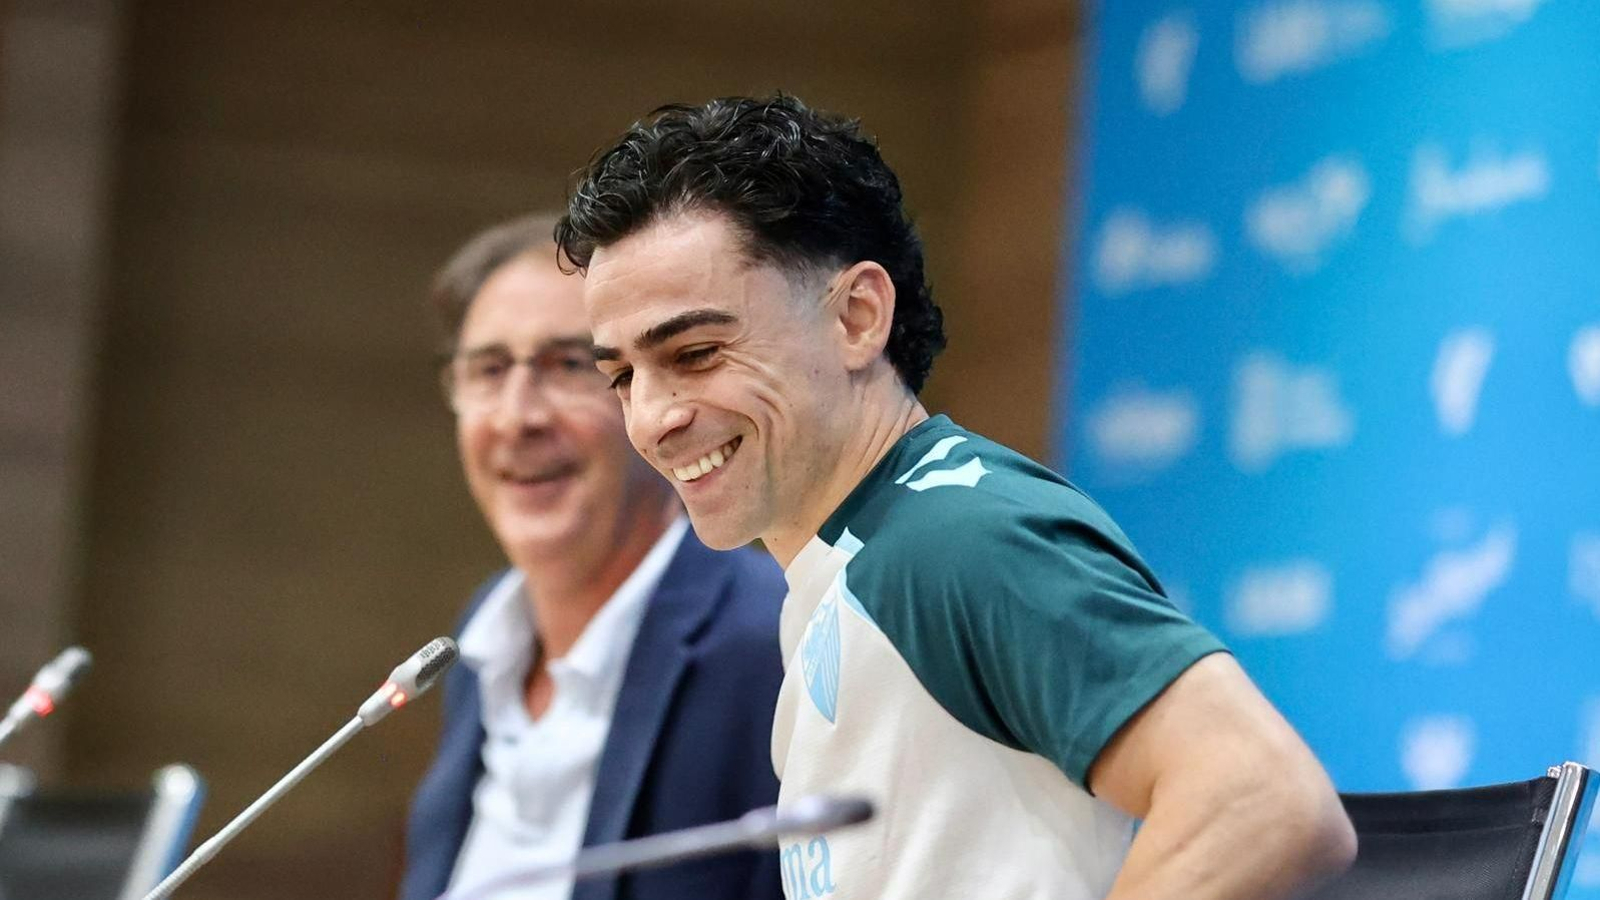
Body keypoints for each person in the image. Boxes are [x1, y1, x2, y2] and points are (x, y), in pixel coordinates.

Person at [556, 96, 1358, 900]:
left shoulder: (955, 538)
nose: (654, 420)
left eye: (695, 353)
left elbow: (1261, 799)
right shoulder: (857, 562)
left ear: (858, 317)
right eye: (622, 377)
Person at [399, 214, 788, 900]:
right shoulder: (477, 646)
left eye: (571, 365)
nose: (518, 417)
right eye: (489, 370)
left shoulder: (771, 645)